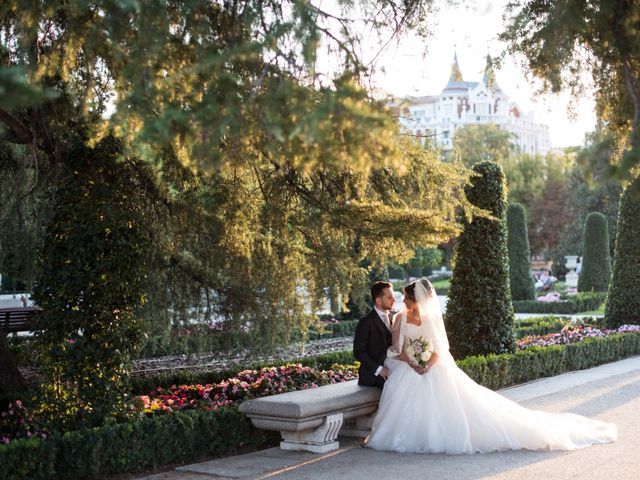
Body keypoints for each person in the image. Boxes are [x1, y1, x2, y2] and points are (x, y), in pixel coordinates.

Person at [366, 278, 617, 453]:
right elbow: (398, 348)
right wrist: (413, 363)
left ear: (414, 298)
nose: (403, 300)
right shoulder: (400, 317)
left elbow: (441, 349)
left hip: (433, 367)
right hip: (411, 366)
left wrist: (427, 365)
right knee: (407, 386)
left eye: (406, 297)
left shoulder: (431, 318)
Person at [353, 281, 396, 389]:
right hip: (373, 376)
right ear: (378, 300)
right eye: (390, 297)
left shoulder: (395, 317)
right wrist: (380, 370)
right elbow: (359, 352)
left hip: (393, 368)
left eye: (393, 297)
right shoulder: (365, 322)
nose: (394, 300)